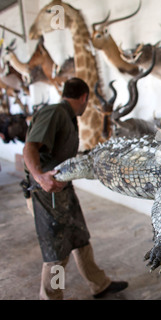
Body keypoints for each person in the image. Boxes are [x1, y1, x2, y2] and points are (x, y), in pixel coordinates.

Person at [23, 77, 128, 300]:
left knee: (80, 237)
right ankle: (52, 297)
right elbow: (29, 147)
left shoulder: (66, 116)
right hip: (46, 192)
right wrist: (40, 177)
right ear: (84, 97)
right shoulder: (55, 113)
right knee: (58, 253)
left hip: (63, 189)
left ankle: (99, 284)